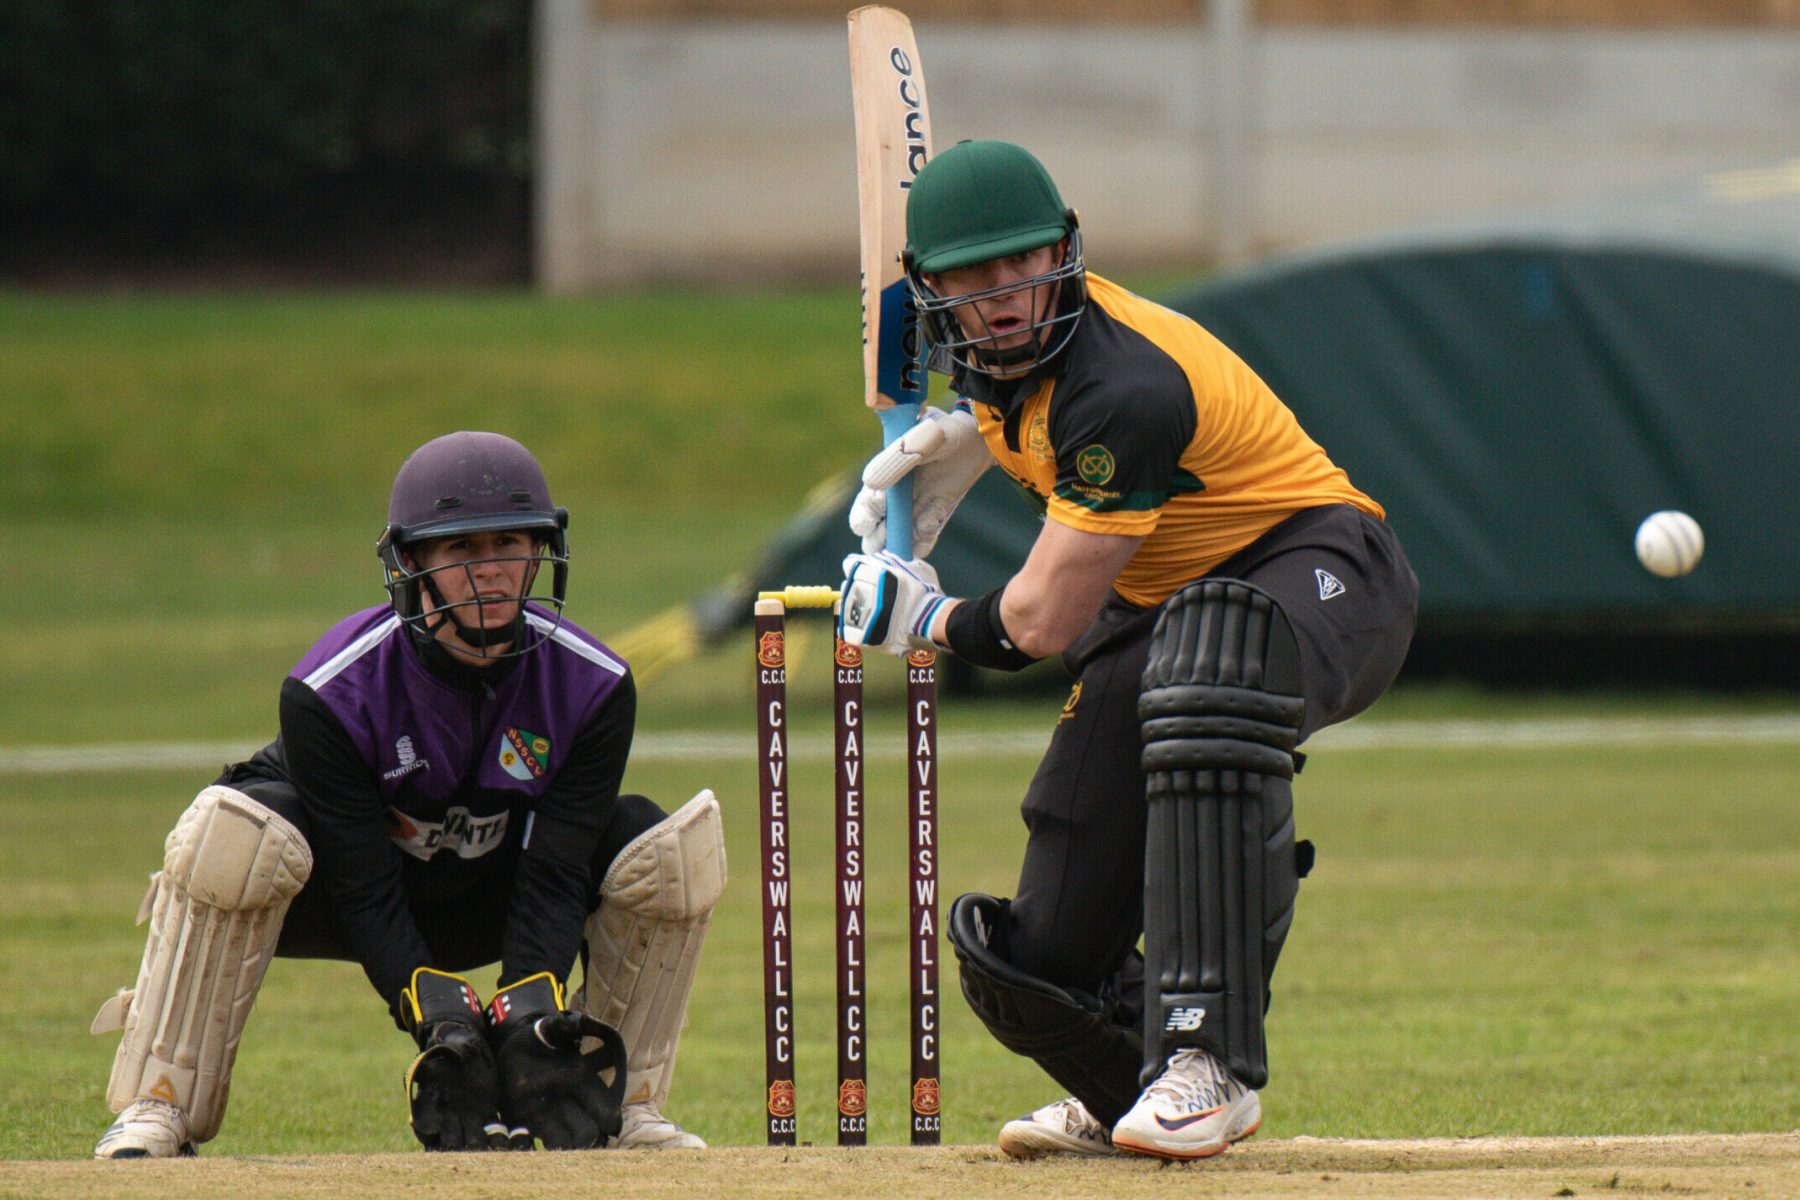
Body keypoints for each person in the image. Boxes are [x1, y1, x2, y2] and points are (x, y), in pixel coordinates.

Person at [838, 141, 1418, 1162]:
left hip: (1325, 569)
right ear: (935, 292)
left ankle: (1211, 1062)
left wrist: (921, 620)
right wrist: (961, 444)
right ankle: (1134, 1084)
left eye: (1021, 264)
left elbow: (1041, 623)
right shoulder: (989, 367)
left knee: (1212, 669)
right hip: (1162, 608)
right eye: (973, 276)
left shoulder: (1124, 385)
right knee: (1036, 961)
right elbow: (1033, 428)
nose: (1004, 293)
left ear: (1063, 252)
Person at [92, 431, 723, 1157]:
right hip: (340, 884)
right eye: (461, 551)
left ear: (542, 550)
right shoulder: (330, 692)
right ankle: (159, 1101)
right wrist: (430, 1010)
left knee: (666, 851)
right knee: (236, 839)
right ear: (413, 562)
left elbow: (556, 873)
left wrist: (526, 1017)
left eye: (510, 544)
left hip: (496, 889)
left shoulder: (595, 687)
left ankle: (626, 1106)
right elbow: (363, 887)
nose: (491, 572)